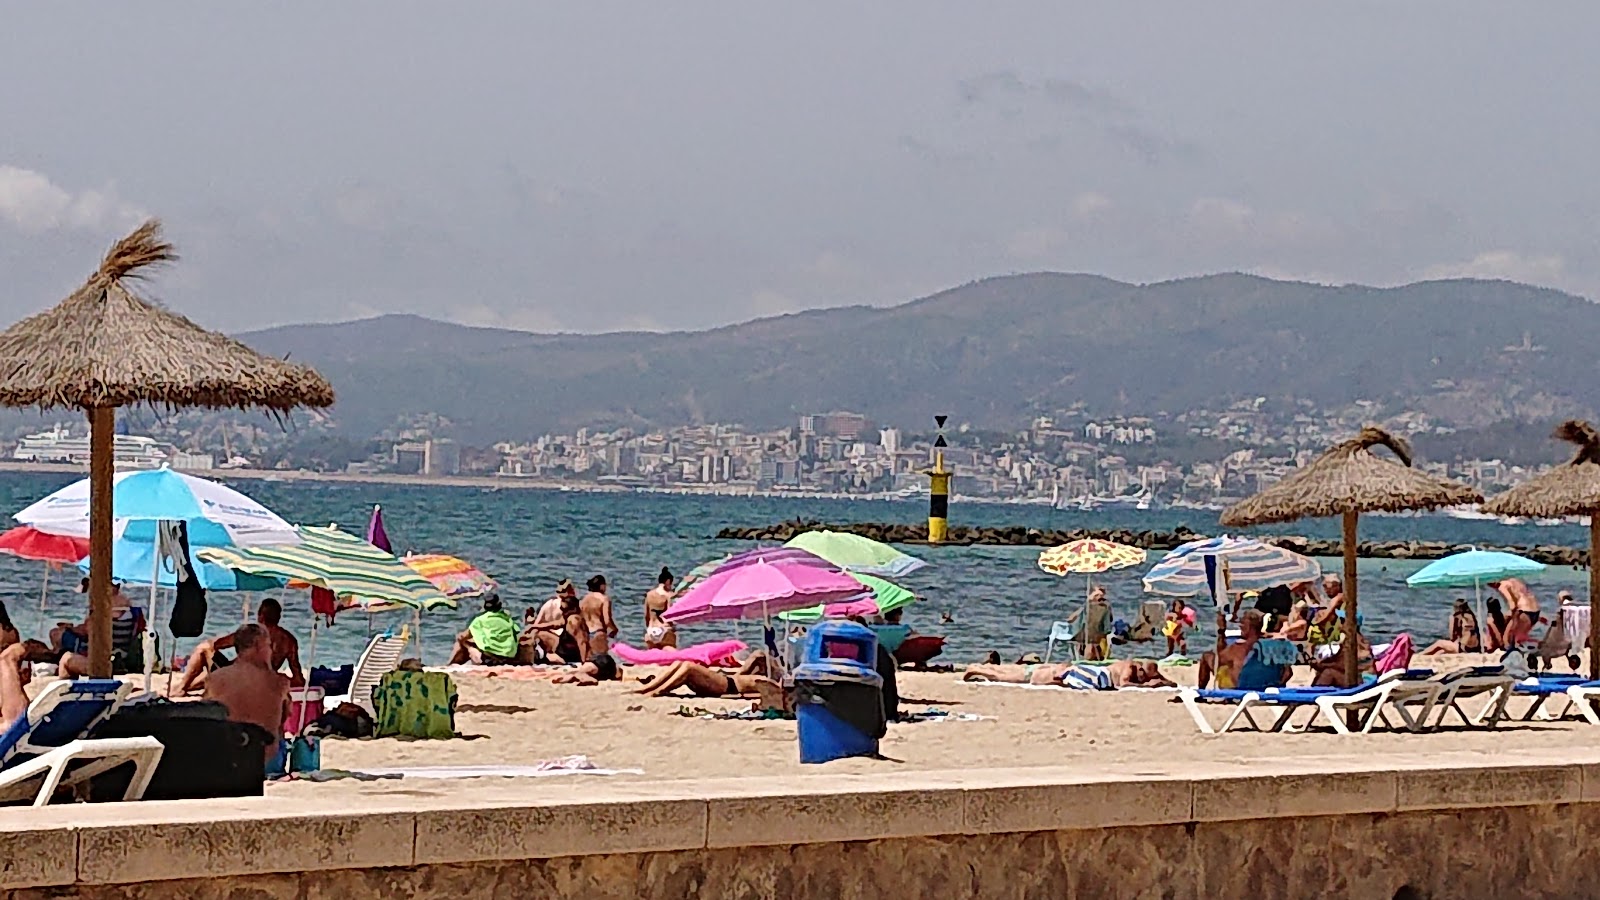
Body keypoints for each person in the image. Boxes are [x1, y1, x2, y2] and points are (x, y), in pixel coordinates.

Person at [173, 598, 304, 693]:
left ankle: (181, 688)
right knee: (216, 673)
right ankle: (190, 686)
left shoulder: (254, 632)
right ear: (279, 617)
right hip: (260, 680)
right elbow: (298, 680)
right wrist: (276, 679)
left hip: (238, 677)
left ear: (261, 616)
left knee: (204, 648)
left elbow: (217, 645)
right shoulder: (289, 640)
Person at [204, 624, 290, 762]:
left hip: (228, 755)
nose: (271, 650)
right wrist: (268, 668)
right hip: (266, 758)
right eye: (268, 645)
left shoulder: (215, 678)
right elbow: (284, 717)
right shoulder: (279, 682)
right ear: (258, 645)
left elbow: (207, 713)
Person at [1197, 610, 1289, 691]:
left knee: (1207, 656)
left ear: (1250, 627)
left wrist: (1222, 631)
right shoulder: (1272, 646)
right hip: (1268, 689)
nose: (1240, 627)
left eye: (1243, 624)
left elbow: (1218, 661)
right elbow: (1288, 673)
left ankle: (1200, 693)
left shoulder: (1239, 648)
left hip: (1239, 689)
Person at [450, 593, 523, 665]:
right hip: (509, 658)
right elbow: (516, 633)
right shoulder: (507, 619)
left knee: (462, 642)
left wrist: (469, 648)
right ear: (499, 605)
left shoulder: (480, 620)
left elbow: (461, 637)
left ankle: (448, 665)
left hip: (489, 659)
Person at [1490, 578, 1540, 648]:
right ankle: (1535, 645)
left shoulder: (1502, 586)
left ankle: (1511, 652)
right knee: (1521, 635)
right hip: (1535, 610)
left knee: (1507, 637)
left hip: (1523, 611)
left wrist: (1513, 618)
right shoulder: (1515, 581)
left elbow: (1512, 604)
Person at [579, 575, 618, 658]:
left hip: (586, 633)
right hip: (598, 632)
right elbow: (607, 620)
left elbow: (580, 617)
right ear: (602, 586)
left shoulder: (584, 599)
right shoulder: (604, 599)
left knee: (590, 659)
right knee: (602, 660)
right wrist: (614, 629)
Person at [643, 568, 678, 650]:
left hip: (651, 630)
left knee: (652, 657)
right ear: (668, 581)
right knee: (670, 656)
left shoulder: (649, 595)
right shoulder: (669, 595)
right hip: (665, 630)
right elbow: (669, 617)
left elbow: (646, 616)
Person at [548, 652, 621, 685]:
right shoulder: (610, 666)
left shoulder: (587, 665)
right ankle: (564, 679)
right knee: (578, 673)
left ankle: (589, 679)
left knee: (578, 673)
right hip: (605, 668)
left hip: (598, 666)